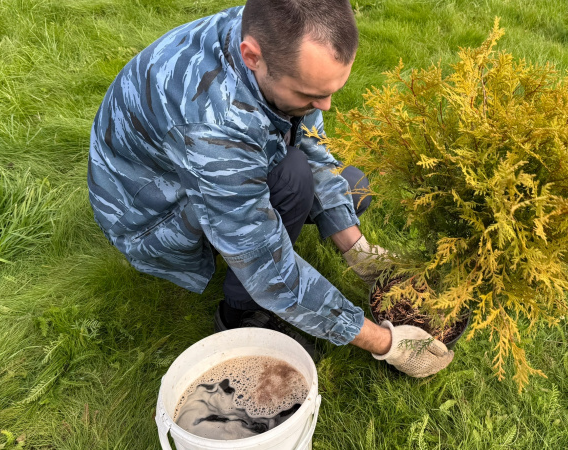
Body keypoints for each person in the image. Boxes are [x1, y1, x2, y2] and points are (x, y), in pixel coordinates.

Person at [87, 0, 453, 378]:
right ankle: (240, 313)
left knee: (352, 187)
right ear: (252, 56)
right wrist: (386, 343)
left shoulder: (270, 34)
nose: (324, 106)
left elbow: (309, 141)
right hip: (149, 218)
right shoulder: (213, 127)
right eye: (309, 95)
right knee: (292, 177)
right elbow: (265, 263)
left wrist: (358, 251)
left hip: (203, 171)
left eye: (330, 91)